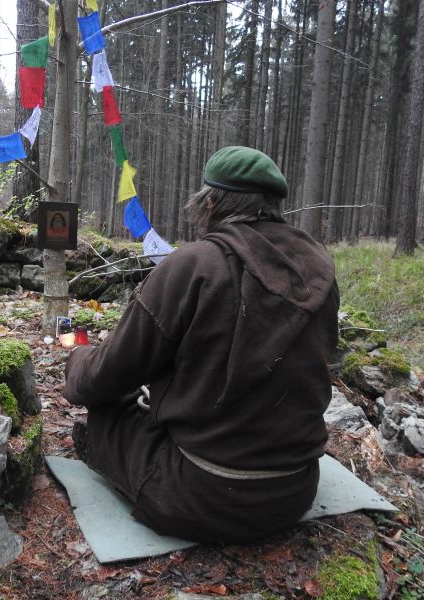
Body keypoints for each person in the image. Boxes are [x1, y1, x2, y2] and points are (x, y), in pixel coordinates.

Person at [63, 146, 339, 544]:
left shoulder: (193, 265)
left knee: (107, 413)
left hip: (202, 497)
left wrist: (77, 359)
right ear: (273, 204)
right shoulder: (319, 269)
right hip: (295, 490)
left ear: (209, 204)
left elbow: (102, 377)